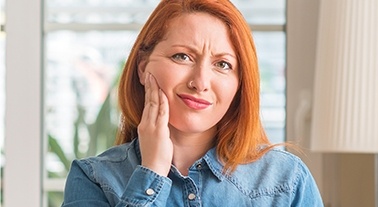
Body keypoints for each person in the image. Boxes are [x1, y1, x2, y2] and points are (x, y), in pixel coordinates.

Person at [62, 0, 324, 206]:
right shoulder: (92, 179)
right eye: (182, 57)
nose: (200, 82)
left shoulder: (287, 180)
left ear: (239, 83)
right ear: (143, 67)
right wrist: (151, 172)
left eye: (222, 64)